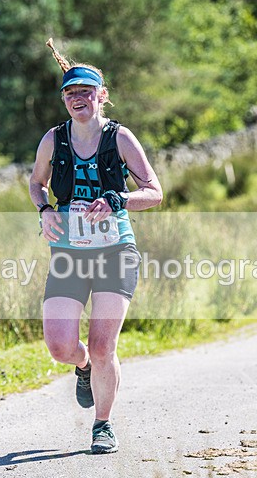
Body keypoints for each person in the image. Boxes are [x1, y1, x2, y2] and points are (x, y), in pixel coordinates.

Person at [28, 39, 163, 454]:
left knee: (105, 345)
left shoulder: (120, 138)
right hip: (69, 252)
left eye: (85, 92)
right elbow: (37, 182)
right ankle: (82, 367)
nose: (77, 99)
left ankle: (102, 424)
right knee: (59, 347)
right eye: (70, 93)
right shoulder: (54, 139)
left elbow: (154, 191)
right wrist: (45, 210)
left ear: (101, 96)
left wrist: (117, 200)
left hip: (114, 251)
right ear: (64, 99)